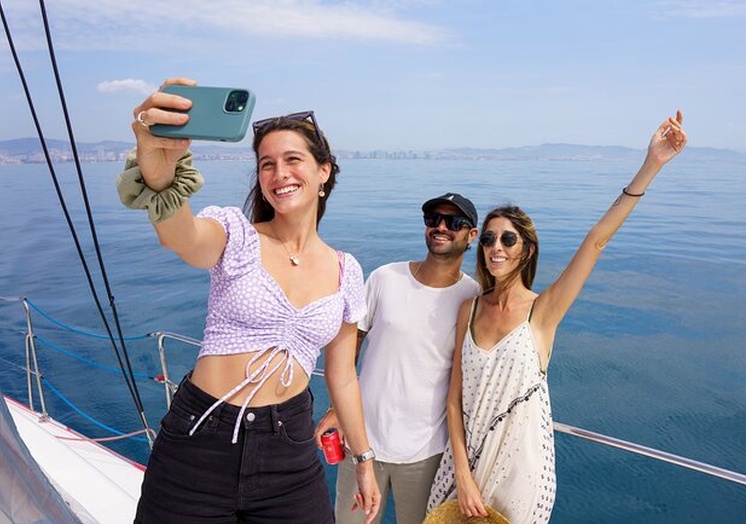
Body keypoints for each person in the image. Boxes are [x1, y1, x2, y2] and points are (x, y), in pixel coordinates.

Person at [117, 78, 380, 524]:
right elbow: (182, 238)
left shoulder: (346, 271)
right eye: (266, 164)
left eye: (293, 160)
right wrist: (161, 176)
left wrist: (364, 460)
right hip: (201, 440)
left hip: (290, 449)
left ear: (324, 171)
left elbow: (344, 378)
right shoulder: (236, 235)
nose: (279, 175)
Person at [427, 111, 688, 523]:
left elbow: (597, 239)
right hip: (466, 468)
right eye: (490, 238)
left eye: (508, 239)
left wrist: (651, 163)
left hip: (520, 473)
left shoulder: (542, 311)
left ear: (526, 250)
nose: (496, 247)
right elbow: (454, 400)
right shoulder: (470, 308)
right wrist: (461, 471)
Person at [315, 192, 480, 523]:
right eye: (434, 220)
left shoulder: (473, 298)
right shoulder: (385, 278)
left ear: (471, 235)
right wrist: (336, 410)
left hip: (427, 454)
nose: (441, 227)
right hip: (361, 444)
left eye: (454, 222)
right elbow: (350, 345)